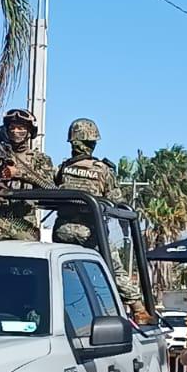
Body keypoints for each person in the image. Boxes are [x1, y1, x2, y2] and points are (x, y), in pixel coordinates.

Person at [53, 118, 150, 324]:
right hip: (92, 231)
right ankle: (138, 309)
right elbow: (118, 202)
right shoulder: (102, 170)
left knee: (62, 272)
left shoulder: (62, 169)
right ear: (92, 143)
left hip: (62, 231)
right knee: (114, 268)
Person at [0, 108, 54, 240]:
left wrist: (19, 173)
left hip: (23, 226)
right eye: (12, 127)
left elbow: (50, 188)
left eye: (21, 128)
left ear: (30, 131)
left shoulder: (39, 160)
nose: (15, 132)